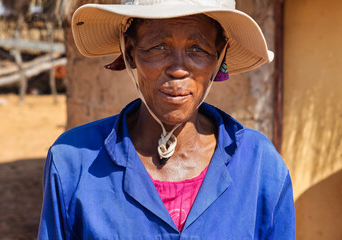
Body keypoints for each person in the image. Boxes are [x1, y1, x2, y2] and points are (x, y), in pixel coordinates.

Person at [38, 0, 295, 239]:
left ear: (219, 56)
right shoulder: (73, 160)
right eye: (158, 47)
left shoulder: (260, 166)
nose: (178, 69)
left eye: (198, 49)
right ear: (129, 52)